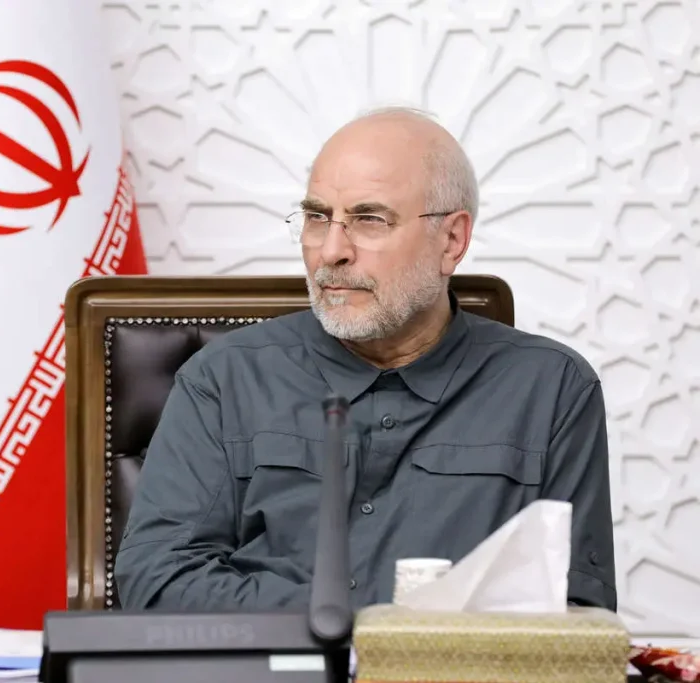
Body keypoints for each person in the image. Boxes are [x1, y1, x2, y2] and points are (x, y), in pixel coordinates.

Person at [113, 107, 616, 613]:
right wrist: (368, 621)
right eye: (317, 218)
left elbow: (577, 612)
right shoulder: (224, 379)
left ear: (452, 241)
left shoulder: (552, 389)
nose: (331, 251)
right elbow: (157, 581)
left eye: (369, 220)